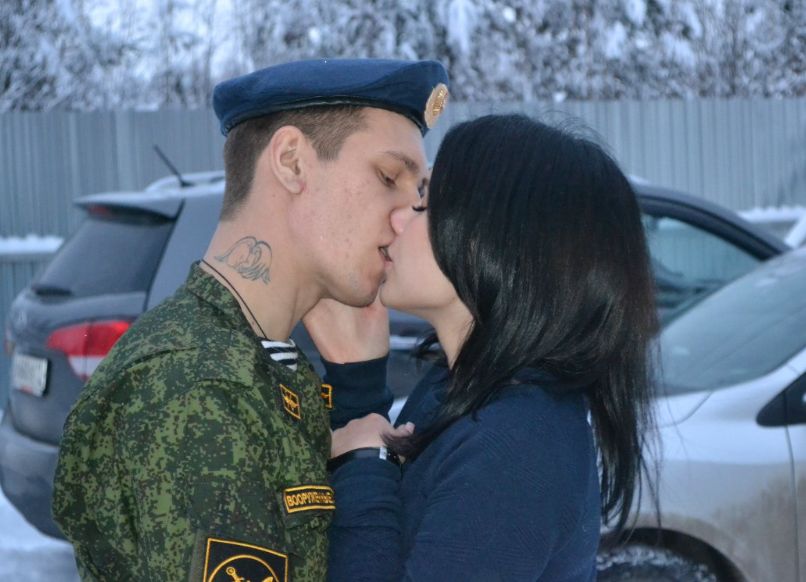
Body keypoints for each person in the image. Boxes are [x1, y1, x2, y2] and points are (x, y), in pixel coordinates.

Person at [51, 58, 449, 582]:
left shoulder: (264, 362)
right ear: (291, 162)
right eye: (389, 177)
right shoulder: (198, 386)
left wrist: (357, 392)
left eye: (417, 193)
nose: (407, 216)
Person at [314, 114, 659, 580]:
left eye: (424, 204)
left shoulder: (517, 444)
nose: (397, 217)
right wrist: (359, 384)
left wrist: (362, 465)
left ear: (492, 244)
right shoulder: (465, 391)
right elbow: (390, 537)